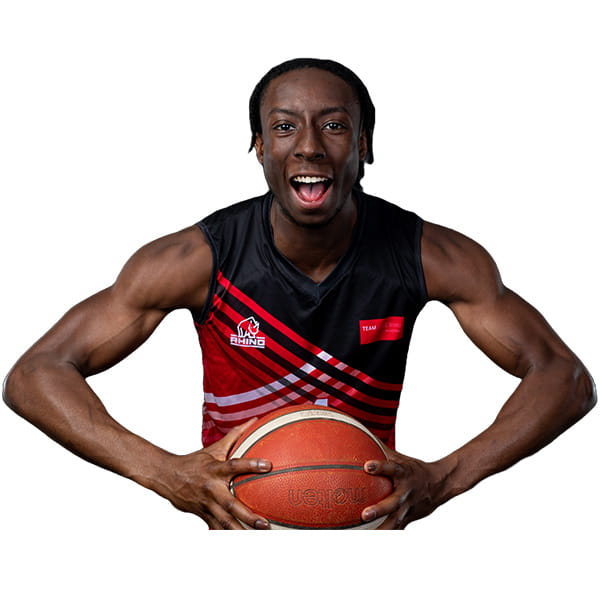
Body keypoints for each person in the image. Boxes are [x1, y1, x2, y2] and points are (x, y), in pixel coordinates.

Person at [3, 58, 596, 530]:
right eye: (284, 127)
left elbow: (565, 378)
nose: (309, 146)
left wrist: (445, 477)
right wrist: (164, 473)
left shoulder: (426, 255)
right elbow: (34, 375)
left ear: (364, 144)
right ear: (260, 147)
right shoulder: (197, 259)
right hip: (236, 532)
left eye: (334, 125)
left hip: (370, 532)